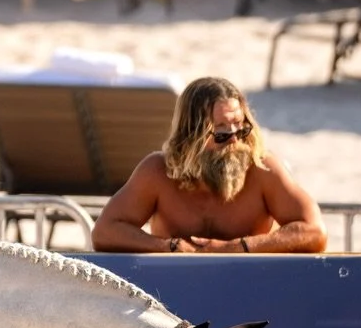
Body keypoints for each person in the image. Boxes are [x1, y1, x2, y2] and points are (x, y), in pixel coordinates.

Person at [91, 76, 326, 254]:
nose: (234, 138)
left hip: (247, 286)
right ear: (192, 133)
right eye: (221, 130)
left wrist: (238, 247)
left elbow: (315, 232)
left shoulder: (261, 168)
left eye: (239, 125)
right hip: (172, 293)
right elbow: (104, 231)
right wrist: (169, 247)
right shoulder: (159, 171)